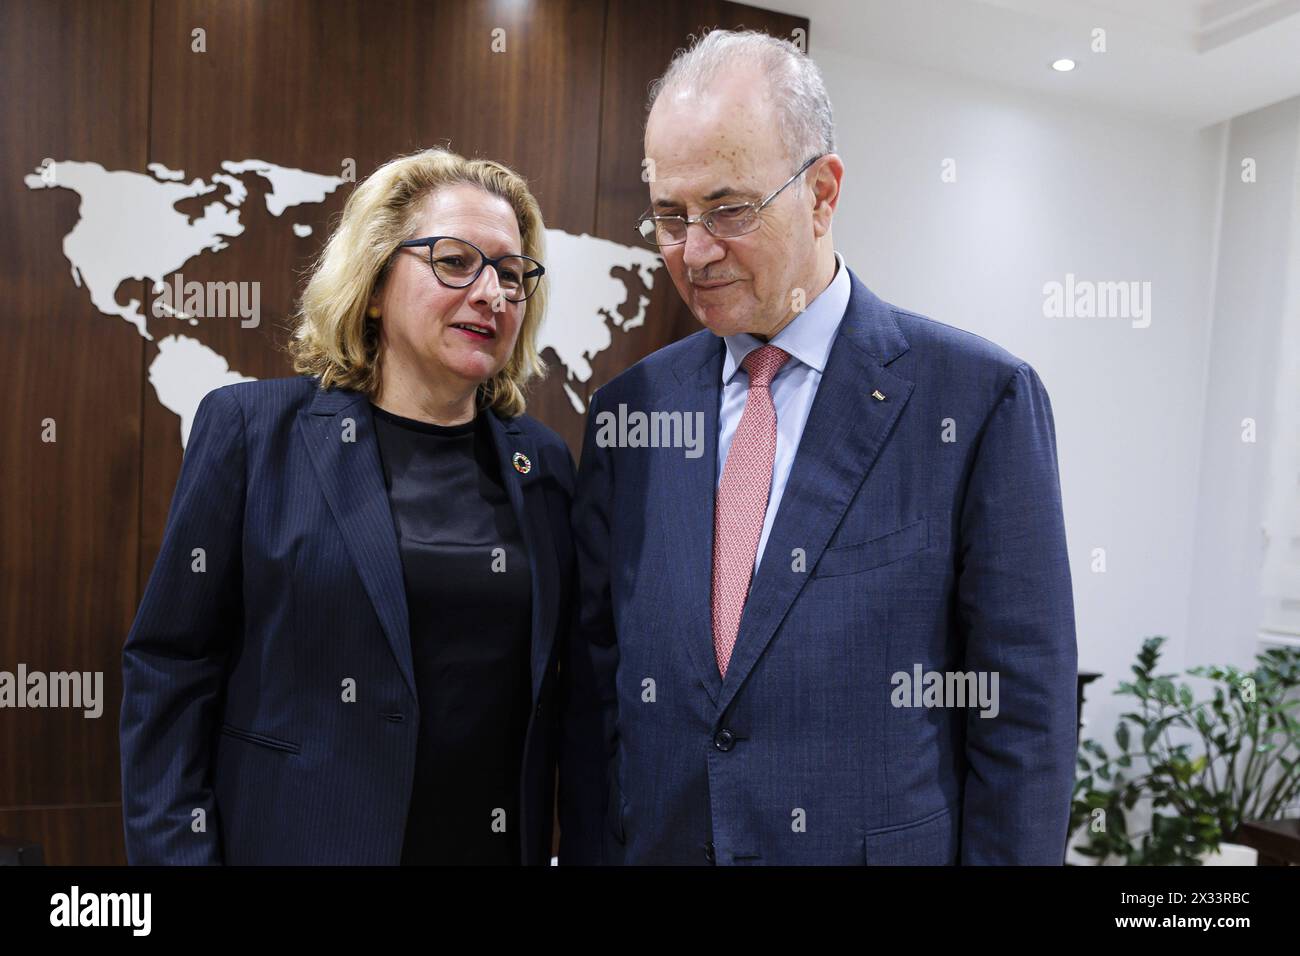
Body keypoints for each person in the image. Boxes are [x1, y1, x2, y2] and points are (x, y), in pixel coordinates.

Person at [560, 30, 1078, 865]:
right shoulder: (633, 413)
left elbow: (1023, 718)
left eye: (728, 210)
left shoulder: (978, 401)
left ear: (823, 193)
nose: (693, 252)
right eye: (668, 216)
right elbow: (597, 696)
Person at [121, 147, 575, 865]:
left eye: (512, 275)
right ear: (372, 283)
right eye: (456, 262)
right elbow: (171, 669)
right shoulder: (250, 432)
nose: (493, 293)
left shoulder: (543, 464)